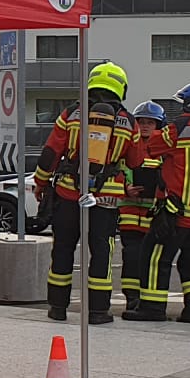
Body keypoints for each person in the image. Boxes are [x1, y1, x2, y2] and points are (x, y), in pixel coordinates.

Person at [33, 62, 140, 325]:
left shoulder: (71, 113)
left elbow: (50, 153)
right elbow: (136, 161)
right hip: (106, 200)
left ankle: (58, 307)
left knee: (63, 249)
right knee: (102, 253)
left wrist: (40, 182)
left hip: (69, 193)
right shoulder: (129, 122)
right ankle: (98, 311)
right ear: (121, 87)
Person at [126, 81, 190, 323]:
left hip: (176, 210)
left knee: (155, 256)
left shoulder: (181, 127)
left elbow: (152, 147)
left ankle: (152, 308)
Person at [117, 102, 168, 306]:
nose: (145, 126)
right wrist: (126, 188)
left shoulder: (164, 150)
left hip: (152, 216)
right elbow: (119, 171)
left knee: (150, 259)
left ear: (159, 125)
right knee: (130, 257)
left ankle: (147, 298)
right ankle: (131, 297)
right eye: (141, 122)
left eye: (150, 122)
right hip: (129, 213)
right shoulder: (127, 145)